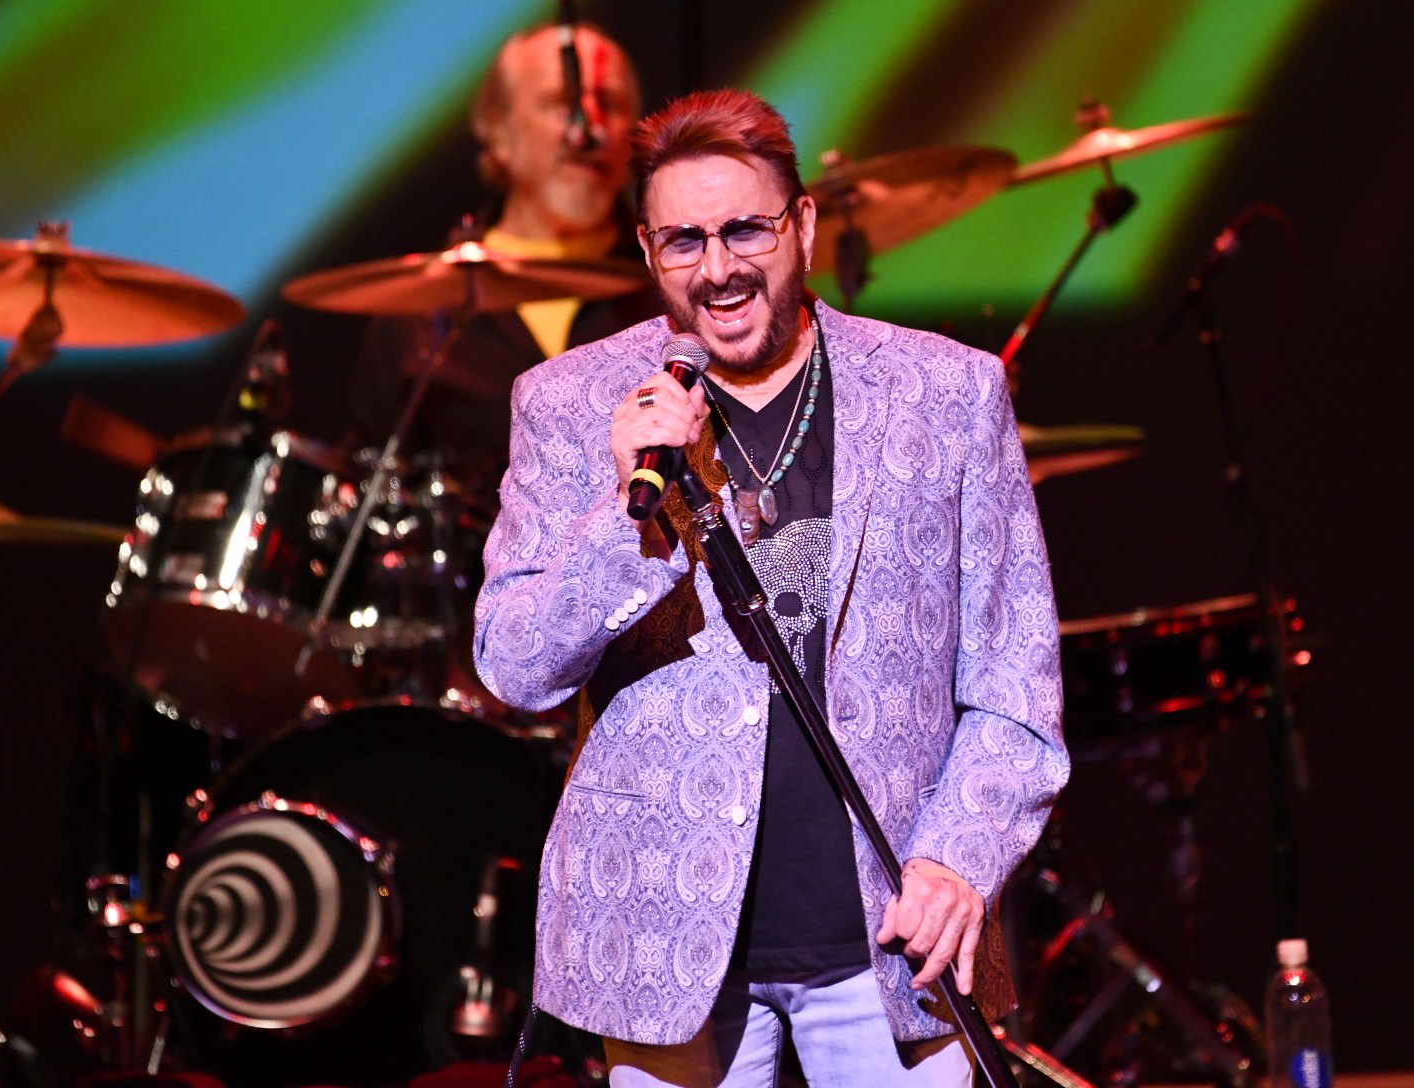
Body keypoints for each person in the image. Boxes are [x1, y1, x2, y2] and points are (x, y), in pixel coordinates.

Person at [474, 89, 1069, 1086]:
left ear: (800, 224)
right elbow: (512, 664)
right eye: (682, 240)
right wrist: (629, 521)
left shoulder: (947, 394)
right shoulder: (569, 403)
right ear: (645, 246)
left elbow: (1018, 683)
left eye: (744, 228)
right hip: (669, 951)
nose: (717, 268)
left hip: (892, 938)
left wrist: (961, 857)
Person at [348, 21, 661, 502]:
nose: (588, 128)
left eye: (611, 105)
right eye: (562, 103)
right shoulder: (418, 315)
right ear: (499, 131)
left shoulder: (676, 290)